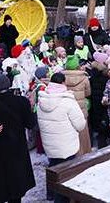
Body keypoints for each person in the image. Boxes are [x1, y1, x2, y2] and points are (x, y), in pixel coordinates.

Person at [0, 73, 36, 203]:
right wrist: (31, 108)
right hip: (17, 148)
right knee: (16, 189)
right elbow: (30, 124)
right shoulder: (21, 101)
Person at [38, 72, 87, 203]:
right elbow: (80, 124)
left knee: (53, 170)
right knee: (65, 179)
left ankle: (51, 195)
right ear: (63, 83)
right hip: (67, 146)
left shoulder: (42, 99)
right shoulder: (67, 100)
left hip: (50, 145)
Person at [63, 54, 93, 155]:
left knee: (71, 131)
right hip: (81, 107)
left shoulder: (62, 77)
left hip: (68, 108)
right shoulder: (84, 77)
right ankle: (85, 152)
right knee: (83, 131)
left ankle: (74, 154)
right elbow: (88, 93)